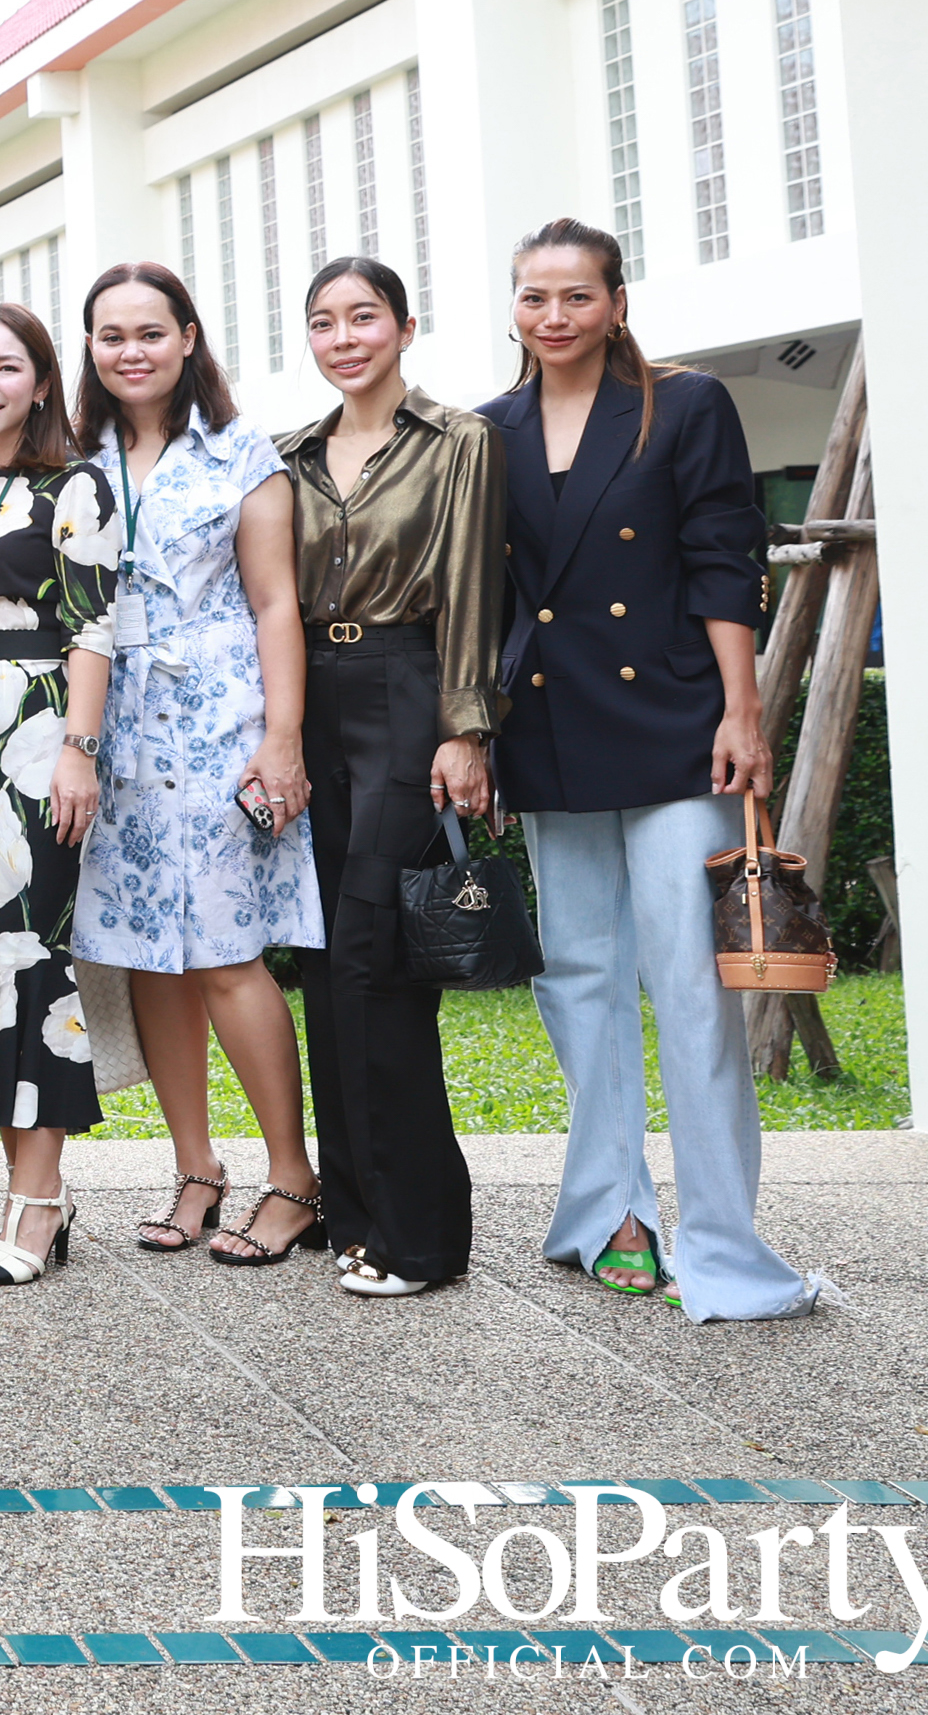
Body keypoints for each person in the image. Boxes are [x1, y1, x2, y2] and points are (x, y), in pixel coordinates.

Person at [485, 218, 824, 1321]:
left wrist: (742, 709)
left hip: (679, 719)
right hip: (547, 725)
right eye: (535, 296)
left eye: (575, 295)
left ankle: (723, 1245)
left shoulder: (685, 403)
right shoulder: (489, 427)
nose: (554, 316)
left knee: (691, 984)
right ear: (514, 307)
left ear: (616, 301)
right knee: (577, 976)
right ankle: (611, 1214)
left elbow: (726, 556)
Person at [75, 262, 324, 1271]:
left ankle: (291, 1175)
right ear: (88, 349)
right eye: (109, 334)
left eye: (148, 330)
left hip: (217, 722)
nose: (130, 349)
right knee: (146, 956)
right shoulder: (76, 457)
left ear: (187, 337)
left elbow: (275, 602)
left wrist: (281, 735)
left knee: (225, 954)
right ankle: (194, 1165)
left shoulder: (239, 452)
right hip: (112, 732)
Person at [281, 257, 499, 1301]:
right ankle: (351, 1209)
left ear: (405, 325)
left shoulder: (456, 440)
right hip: (311, 698)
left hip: (406, 690)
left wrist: (464, 728)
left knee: (378, 958)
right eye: (323, 321)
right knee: (324, 959)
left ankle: (421, 1234)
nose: (343, 335)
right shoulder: (289, 455)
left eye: (362, 315)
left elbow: (467, 588)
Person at [0, 304, 121, 1287]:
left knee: (25, 957)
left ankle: (37, 1201)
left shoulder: (74, 482)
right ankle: (28, 1188)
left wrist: (77, 753)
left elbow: (94, 627)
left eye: (7, 366)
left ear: (43, 383)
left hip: (36, 734)